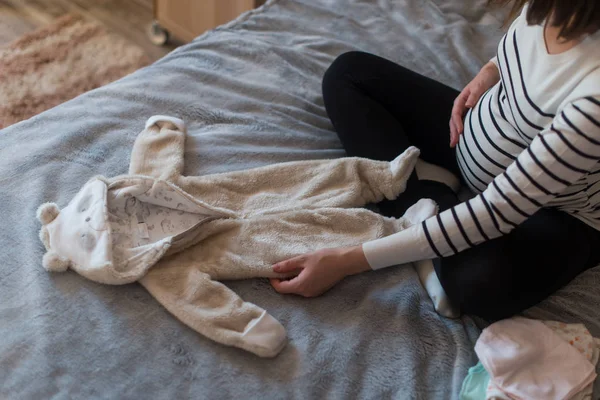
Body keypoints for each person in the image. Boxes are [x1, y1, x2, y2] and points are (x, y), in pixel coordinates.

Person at [269, 0, 600, 321]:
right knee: (348, 74)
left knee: (478, 284)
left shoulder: (594, 98)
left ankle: (425, 212)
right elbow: (524, 52)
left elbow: (497, 212)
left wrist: (345, 261)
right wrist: (490, 71)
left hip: (556, 210)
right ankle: (429, 208)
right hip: (470, 135)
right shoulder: (549, 7)